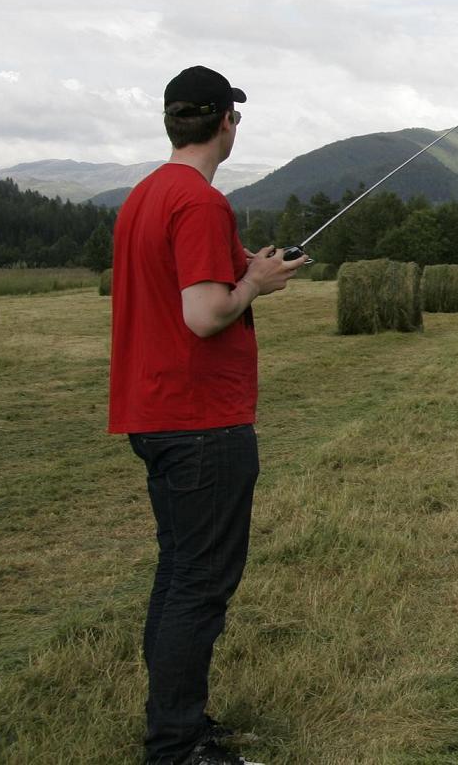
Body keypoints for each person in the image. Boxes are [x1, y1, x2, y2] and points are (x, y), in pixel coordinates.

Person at [109, 65, 305, 765]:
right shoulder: (199, 201)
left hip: (156, 414)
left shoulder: (145, 196)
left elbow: (183, 284)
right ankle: (177, 746)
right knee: (199, 586)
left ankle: (176, 724)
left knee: (178, 575)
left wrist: (241, 266)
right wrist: (255, 282)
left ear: (172, 122)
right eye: (235, 117)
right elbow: (204, 314)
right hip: (200, 422)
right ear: (226, 122)